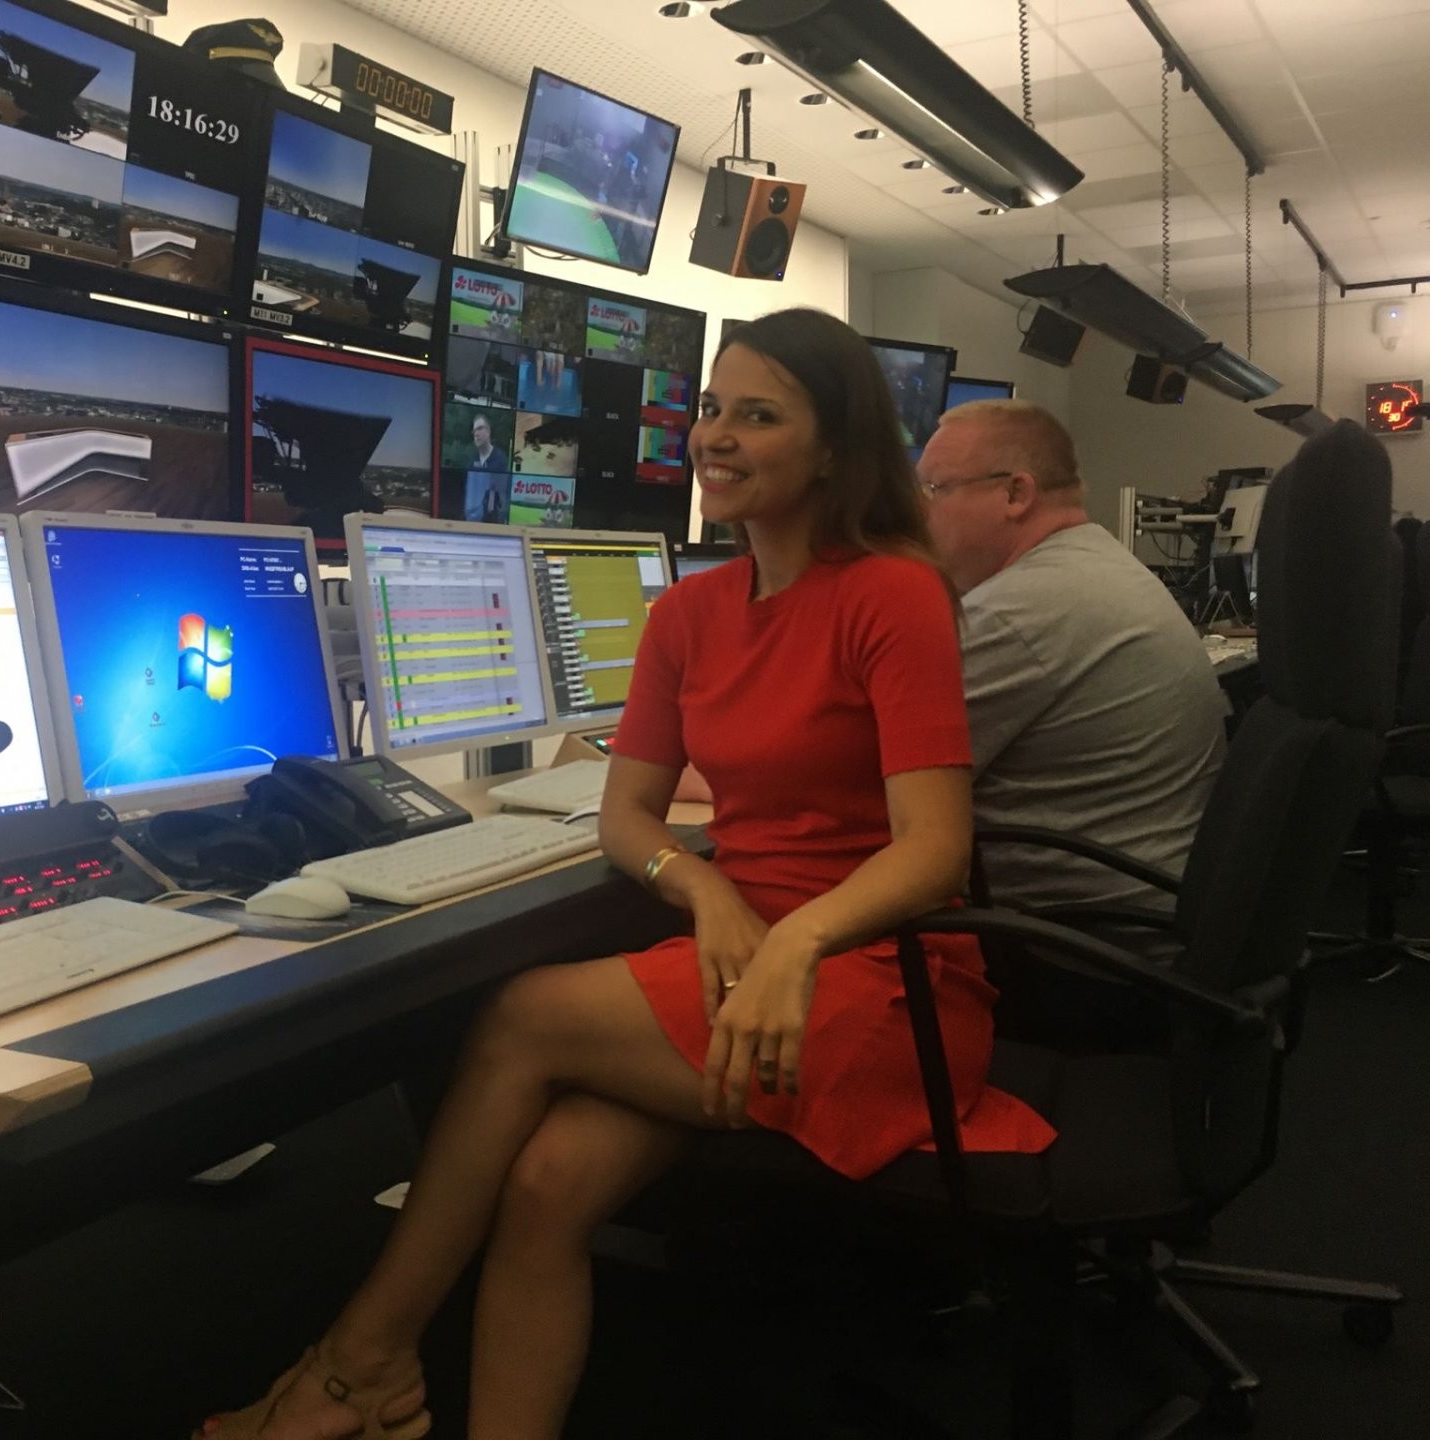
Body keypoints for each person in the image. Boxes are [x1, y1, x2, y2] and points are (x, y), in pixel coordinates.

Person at [192, 310, 1054, 1440]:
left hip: (875, 983)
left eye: (760, 415)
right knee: (549, 1183)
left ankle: (361, 1361)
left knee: (521, 1017)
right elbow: (625, 813)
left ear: (834, 450)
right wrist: (705, 891)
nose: (718, 437)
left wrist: (795, 942)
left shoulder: (892, 593)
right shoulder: (690, 613)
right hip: (735, 964)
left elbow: (934, 845)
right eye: (712, 409)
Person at [915, 399, 1226, 914]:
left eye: (935, 489)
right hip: (1152, 903)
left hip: (1070, 934)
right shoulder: (1095, 563)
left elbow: (862, 787)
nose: (919, 513)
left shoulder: (1020, 613)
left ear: (1016, 494)